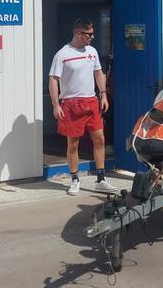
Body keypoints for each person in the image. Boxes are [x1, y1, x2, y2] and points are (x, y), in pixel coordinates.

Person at [49, 18, 117, 195]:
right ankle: (75, 179)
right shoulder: (62, 54)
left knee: (99, 138)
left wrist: (103, 95)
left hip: (91, 102)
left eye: (92, 33)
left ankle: (101, 179)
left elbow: (98, 73)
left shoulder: (92, 51)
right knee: (73, 144)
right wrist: (56, 105)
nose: (92, 37)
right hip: (71, 104)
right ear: (78, 34)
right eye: (89, 34)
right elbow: (53, 80)